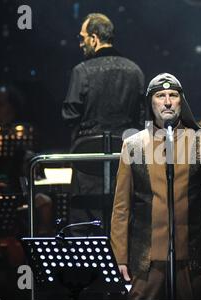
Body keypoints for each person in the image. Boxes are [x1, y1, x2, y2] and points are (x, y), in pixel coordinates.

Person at [110, 73, 201, 300]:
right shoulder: (132, 144)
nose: (167, 101)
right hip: (146, 258)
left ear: (181, 101)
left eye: (173, 95)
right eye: (160, 95)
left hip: (192, 256)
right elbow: (121, 208)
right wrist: (120, 257)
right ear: (150, 102)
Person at [62, 13, 145, 233]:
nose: (81, 44)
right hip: (124, 159)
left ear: (94, 37)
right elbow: (141, 118)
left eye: (82, 38)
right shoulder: (135, 71)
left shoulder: (82, 71)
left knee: (85, 227)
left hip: (88, 161)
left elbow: (69, 115)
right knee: (124, 223)